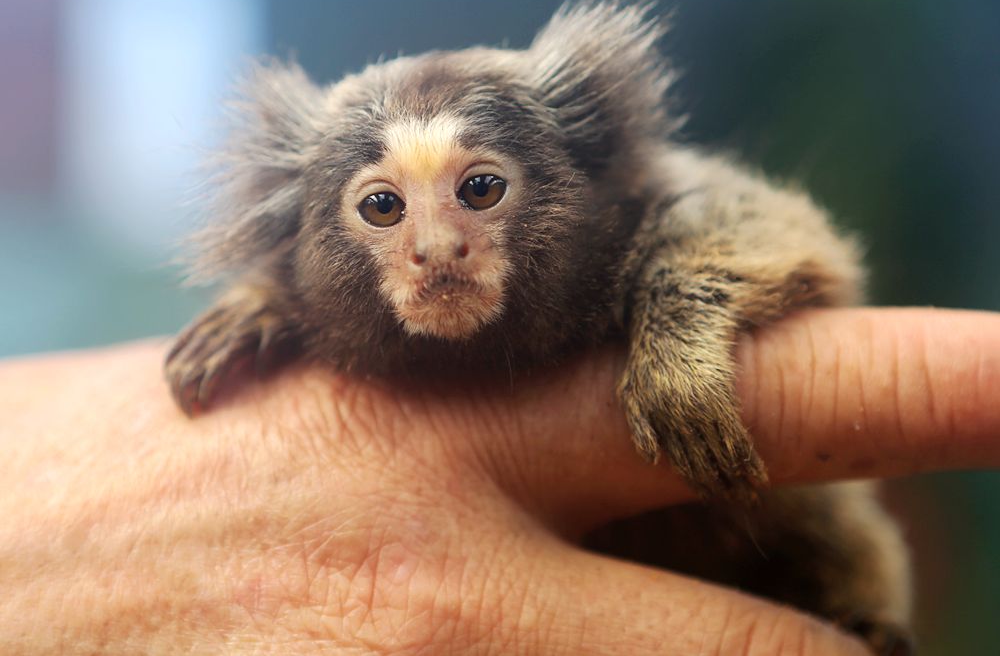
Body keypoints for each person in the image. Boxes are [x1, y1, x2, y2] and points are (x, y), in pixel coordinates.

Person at [1, 308, 997, 654]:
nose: (436, 247)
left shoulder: (650, 205)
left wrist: (685, 334)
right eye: (381, 208)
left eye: (482, 188)